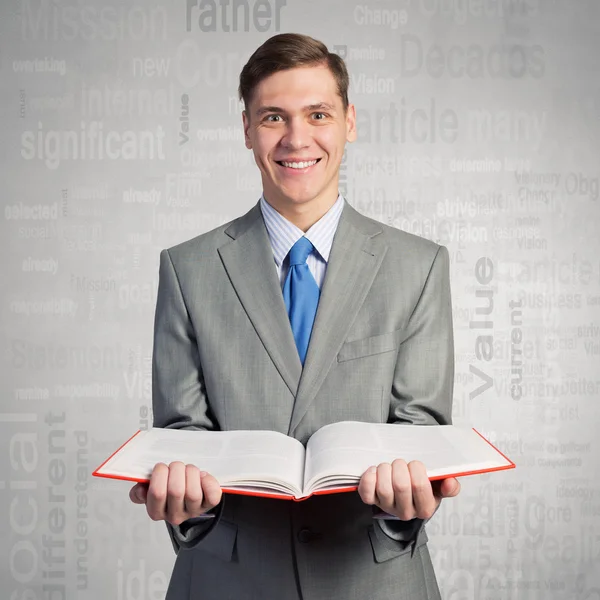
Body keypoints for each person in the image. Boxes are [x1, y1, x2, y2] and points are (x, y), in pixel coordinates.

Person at [129, 32, 460, 600]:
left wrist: (409, 496)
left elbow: (421, 432)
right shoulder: (186, 269)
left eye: (318, 114)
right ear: (246, 130)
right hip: (227, 582)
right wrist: (183, 503)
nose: (296, 138)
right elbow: (183, 437)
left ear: (349, 121)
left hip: (375, 582)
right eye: (273, 117)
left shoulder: (419, 266)